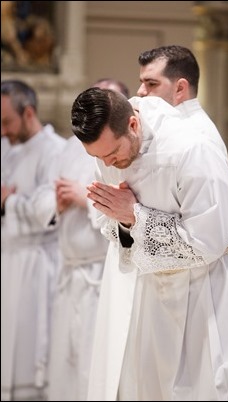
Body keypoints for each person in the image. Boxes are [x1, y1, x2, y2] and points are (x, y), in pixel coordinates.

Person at [71, 83, 228, 401]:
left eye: (111, 154)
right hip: (154, 293)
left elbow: (207, 242)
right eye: (98, 157)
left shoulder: (190, 149)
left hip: (208, 290)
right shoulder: (108, 150)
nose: (107, 165)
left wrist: (135, 216)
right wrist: (123, 220)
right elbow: (107, 224)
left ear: (133, 124)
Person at [36, 79, 129, 401]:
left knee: (92, 360)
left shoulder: (118, 153)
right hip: (69, 272)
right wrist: (56, 203)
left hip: (99, 272)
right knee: (64, 361)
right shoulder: (69, 148)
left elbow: (123, 210)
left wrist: (81, 198)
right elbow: (43, 197)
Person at [1, 79, 66, 401]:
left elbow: (47, 210)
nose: (2, 131)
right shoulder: (6, 148)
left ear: (28, 113)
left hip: (36, 268)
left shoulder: (56, 150)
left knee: (29, 352)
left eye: (6, 122)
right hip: (7, 260)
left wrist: (8, 203)